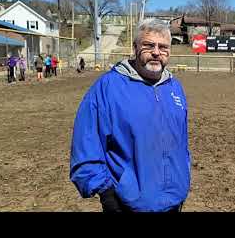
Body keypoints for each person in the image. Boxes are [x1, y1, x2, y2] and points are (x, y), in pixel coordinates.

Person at [70, 18, 191, 212]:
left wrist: (184, 177)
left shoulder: (175, 88)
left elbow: (182, 143)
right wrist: (107, 195)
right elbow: (86, 145)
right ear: (135, 47)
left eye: (163, 47)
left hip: (174, 201)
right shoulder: (108, 88)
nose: (156, 52)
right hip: (128, 204)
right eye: (149, 45)